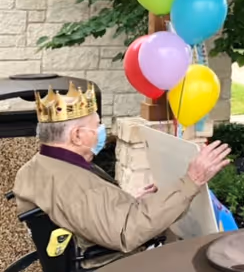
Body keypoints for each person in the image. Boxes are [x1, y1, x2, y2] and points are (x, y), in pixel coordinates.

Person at [13, 82, 232, 262]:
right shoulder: (73, 185)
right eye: (97, 126)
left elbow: (88, 213)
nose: (102, 131)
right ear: (77, 136)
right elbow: (127, 233)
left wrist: (131, 202)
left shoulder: (40, 166)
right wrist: (192, 180)